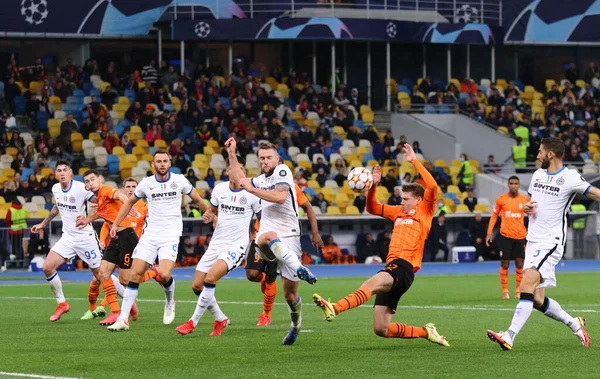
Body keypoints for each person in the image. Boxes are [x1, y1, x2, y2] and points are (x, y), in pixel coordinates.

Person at [313, 144, 449, 346]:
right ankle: (426, 332)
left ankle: (335, 308)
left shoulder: (425, 212)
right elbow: (372, 207)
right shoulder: (398, 212)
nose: (401, 202)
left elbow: (433, 187)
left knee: (371, 284)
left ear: (419, 200)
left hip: (403, 266)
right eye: (401, 198)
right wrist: (374, 185)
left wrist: (414, 161)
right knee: (381, 329)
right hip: (393, 267)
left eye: (406, 199)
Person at [487, 137, 597, 351]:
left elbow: (595, 193)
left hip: (551, 242)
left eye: (539, 152)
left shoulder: (570, 178)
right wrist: (527, 208)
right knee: (537, 299)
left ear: (551, 154)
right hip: (533, 239)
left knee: (525, 285)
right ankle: (575, 323)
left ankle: (509, 335)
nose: (536, 155)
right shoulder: (537, 175)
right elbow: (531, 202)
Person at [107, 150, 211, 331]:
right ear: (152, 165)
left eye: (165, 161)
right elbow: (129, 203)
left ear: (169, 163)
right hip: (150, 235)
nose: (162, 164)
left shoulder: (179, 180)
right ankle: (123, 319)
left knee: (164, 275)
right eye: (158, 161)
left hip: (170, 235)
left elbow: (197, 199)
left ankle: (170, 300)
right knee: (135, 274)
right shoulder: (146, 184)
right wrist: (115, 224)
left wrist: (211, 214)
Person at [226, 139, 317, 345]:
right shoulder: (259, 180)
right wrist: (232, 154)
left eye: (269, 157)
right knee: (267, 237)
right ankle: (298, 267)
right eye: (262, 158)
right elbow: (242, 180)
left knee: (290, 296)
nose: (265, 161)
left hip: (290, 235)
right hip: (268, 234)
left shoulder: (282, 171)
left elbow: (279, 198)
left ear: (277, 158)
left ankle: (295, 327)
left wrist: (251, 189)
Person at [175, 164, 261, 336]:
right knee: (197, 285)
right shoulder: (220, 189)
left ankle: (192, 322)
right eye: (234, 169)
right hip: (216, 243)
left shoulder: (252, 193)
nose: (237, 173)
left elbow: (263, 221)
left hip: (236, 246)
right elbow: (211, 211)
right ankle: (220, 318)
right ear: (228, 172)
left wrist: (258, 247)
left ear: (244, 173)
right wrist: (209, 216)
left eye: (241, 170)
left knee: (211, 278)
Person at [30, 159, 112, 322]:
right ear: (55, 174)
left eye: (64, 170)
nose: (61, 173)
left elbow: (101, 203)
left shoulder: (81, 188)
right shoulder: (55, 189)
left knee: (101, 275)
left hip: (85, 238)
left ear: (70, 173)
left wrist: (89, 218)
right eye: (58, 170)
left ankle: (127, 300)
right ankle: (62, 304)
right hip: (68, 238)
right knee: (47, 267)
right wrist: (43, 223)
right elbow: (57, 207)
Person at [245, 183, 323, 327]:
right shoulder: (260, 184)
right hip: (260, 235)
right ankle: (268, 278)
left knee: (272, 279)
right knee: (251, 274)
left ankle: (266, 315)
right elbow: (251, 211)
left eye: (269, 158)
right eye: (263, 158)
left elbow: (308, 207)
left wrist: (315, 233)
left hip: (282, 238)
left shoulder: (292, 187)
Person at [76, 170, 145, 325]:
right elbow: (102, 212)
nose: (90, 183)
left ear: (99, 180)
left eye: (92, 179)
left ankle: (155, 274)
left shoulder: (106, 190)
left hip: (127, 236)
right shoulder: (99, 197)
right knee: (103, 274)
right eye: (87, 181)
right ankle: (115, 312)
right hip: (115, 238)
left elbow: (119, 195)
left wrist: (128, 203)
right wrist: (88, 220)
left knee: (125, 280)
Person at [486, 176, 528, 300]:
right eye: (511, 183)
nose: (513, 186)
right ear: (508, 185)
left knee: (520, 263)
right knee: (505, 263)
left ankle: (518, 290)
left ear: (519, 185)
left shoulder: (524, 200)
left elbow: (532, 215)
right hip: (505, 236)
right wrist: (489, 233)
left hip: (520, 236)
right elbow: (494, 215)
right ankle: (505, 291)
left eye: (516, 183)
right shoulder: (501, 199)